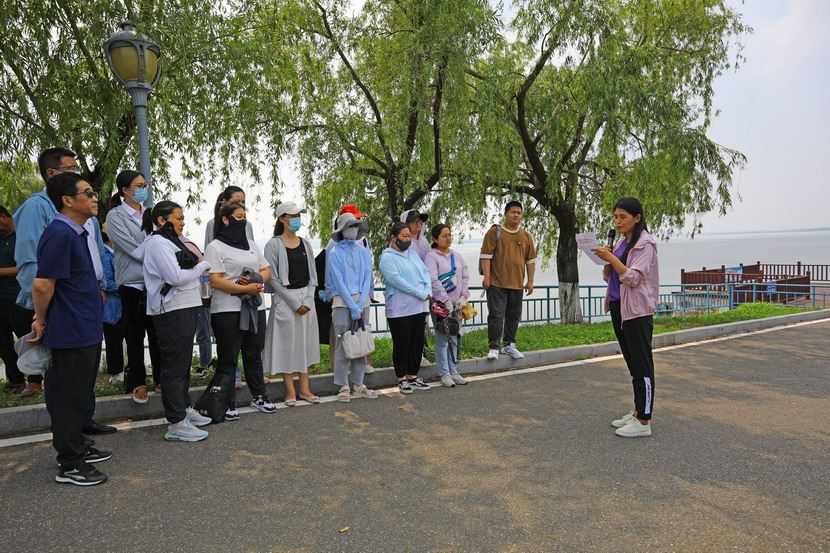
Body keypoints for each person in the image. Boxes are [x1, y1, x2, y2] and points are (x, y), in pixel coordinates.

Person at [15, 148, 114, 435]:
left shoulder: (82, 220)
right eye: (71, 169)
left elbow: (94, 256)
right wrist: (40, 314)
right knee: (67, 381)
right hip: (65, 307)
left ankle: (82, 427)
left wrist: (99, 287)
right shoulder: (45, 215)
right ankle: (70, 446)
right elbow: (36, 272)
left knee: (83, 375)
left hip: (85, 301)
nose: (94, 197)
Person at [30, 172, 111, 485]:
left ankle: (78, 445)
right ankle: (71, 464)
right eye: (87, 193)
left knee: (79, 393)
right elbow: (42, 285)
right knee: (68, 397)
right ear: (67, 200)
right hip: (70, 329)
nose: (94, 198)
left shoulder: (76, 232)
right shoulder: (60, 234)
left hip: (84, 325)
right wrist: (40, 319)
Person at [133, 201, 213, 441]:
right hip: (171, 310)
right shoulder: (157, 243)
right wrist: (203, 265)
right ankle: (176, 422)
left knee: (182, 364)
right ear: (161, 220)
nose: (182, 222)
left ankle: (184, 409)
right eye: (178, 218)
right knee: (173, 367)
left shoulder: (170, 241)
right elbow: (176, 277)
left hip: (185, 306)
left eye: (182, 218)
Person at [592, 198, 659, 438]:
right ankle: (637, 411)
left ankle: (644, 421)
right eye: (615, 217)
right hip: (618, 306)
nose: (617, 222)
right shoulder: (622, 241)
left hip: (636, 310)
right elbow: (608, 276)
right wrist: (607, 260)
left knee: (642, 364)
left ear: (637, 218)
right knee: (632, 363)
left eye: (623, 217)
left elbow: (634, 278)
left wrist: (612, 259)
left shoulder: (645, 244)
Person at [204, 201, 276, 420]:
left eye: (244, 216)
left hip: (254, 307)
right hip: (227, 309)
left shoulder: (251, 244)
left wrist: (256, 280)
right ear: (225, 220)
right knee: (228, 358)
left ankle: (259, 396)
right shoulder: (215, 247)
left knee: (253, 354)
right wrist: (244, 288)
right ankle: (227, 402)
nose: (243, 220)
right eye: (238, 217)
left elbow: (265, 269)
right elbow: (214, 280)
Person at [105, 170, 161, 403]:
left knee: (157, 333)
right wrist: (159, 257)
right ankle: (138, 381)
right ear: (125, 190)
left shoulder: (150, 213)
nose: (143, 189)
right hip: (131, 283)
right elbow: (131, 248)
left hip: (154, 282)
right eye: (138, 186)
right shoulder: (115, 216)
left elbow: (163, 241)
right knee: (135, 335)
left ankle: (160, 378)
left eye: (144, 185)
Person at [262, 202, 321, 405]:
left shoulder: (305, 243)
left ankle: (305, 389)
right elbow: (272, 278)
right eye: (293, 216)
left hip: (307, 298)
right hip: (286, 299)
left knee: (305, 344)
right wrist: (295, 303)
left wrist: (308, 299)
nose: (297, 219)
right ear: (282, 219)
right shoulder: (273, 244)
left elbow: (313, 276)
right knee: (286, 344)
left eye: (298, 216)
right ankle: (290, 391)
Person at [203, 186, 256, 386]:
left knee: (251, 342)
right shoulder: (213, 225)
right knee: (229, 344)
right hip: (225, 289)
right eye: (237, 201)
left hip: (247, 285)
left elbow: (251, 254)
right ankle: (233, 375)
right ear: (223, 202)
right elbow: (211, 261)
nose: (241, 205)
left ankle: (253, 378)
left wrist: (249, 277)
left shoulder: (247, 224)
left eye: (243, 201)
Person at [326, 212, 378, 402]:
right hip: (342, 302)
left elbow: (367, 276)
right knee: (343, 341)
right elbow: (338, 281)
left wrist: (361, 302)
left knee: (360, 340)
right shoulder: (334, 252)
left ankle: (358, 382)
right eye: (350, 226)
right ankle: (343, 384)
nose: (354, 229)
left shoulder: (362, 250)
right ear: (341, 229)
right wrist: (352, 305)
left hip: (362, 301)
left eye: (356, 226)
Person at [480, 201, 537, 361]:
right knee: (496, 315)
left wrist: (530, 281)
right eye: (513, 212)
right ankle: (494, 347)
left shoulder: (525, 236)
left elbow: (531, 260)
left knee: (513, 315)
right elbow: (486, 256)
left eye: (519, 213)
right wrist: (487, 278)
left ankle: (509, 345)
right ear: (505, 214)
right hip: (496, 283)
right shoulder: (494, 232)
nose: (516, 215)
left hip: (517, 284)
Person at [379, 221, 432, 394]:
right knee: (402, 343)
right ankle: (401, 378)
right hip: (400, 307)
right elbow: (396, 280)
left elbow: (425, 273)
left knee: (417, 342)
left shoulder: (413, 254)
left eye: (409, 236)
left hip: (419, 306)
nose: (408, 239)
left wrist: (428, 290)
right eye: (404, 236)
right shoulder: (387, 257)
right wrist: (419, 293)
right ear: (393, 238)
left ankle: (413, 375)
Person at [0, 205, 45, 395]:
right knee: (3, 342)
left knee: (27, 338)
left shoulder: (23, 236)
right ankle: (15, 378)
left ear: (3, 217)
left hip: (19, 297)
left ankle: (34, 381)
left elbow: (28, 266)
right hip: (1, 298)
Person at [424, 224, 470, 388]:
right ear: (435, 239)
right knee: (443, 339)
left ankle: (454, 370)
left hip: (457, 306)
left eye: (450, 235)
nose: (448, 238)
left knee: (455, 337)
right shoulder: (431, 256)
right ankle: (444, 373)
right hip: (441, 306)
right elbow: (433, 280)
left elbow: (465, 276)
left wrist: (464, 296)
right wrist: (445, 300)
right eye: (444, 236)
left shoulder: (456, 256)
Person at [100, 230, 125, 383]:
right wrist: (125, 288)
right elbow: (107, 282)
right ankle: (116, 373)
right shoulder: (104, 255)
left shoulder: (112, 253)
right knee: (114, 339)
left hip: (119, 302)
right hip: (112, 305)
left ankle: (123, 370)